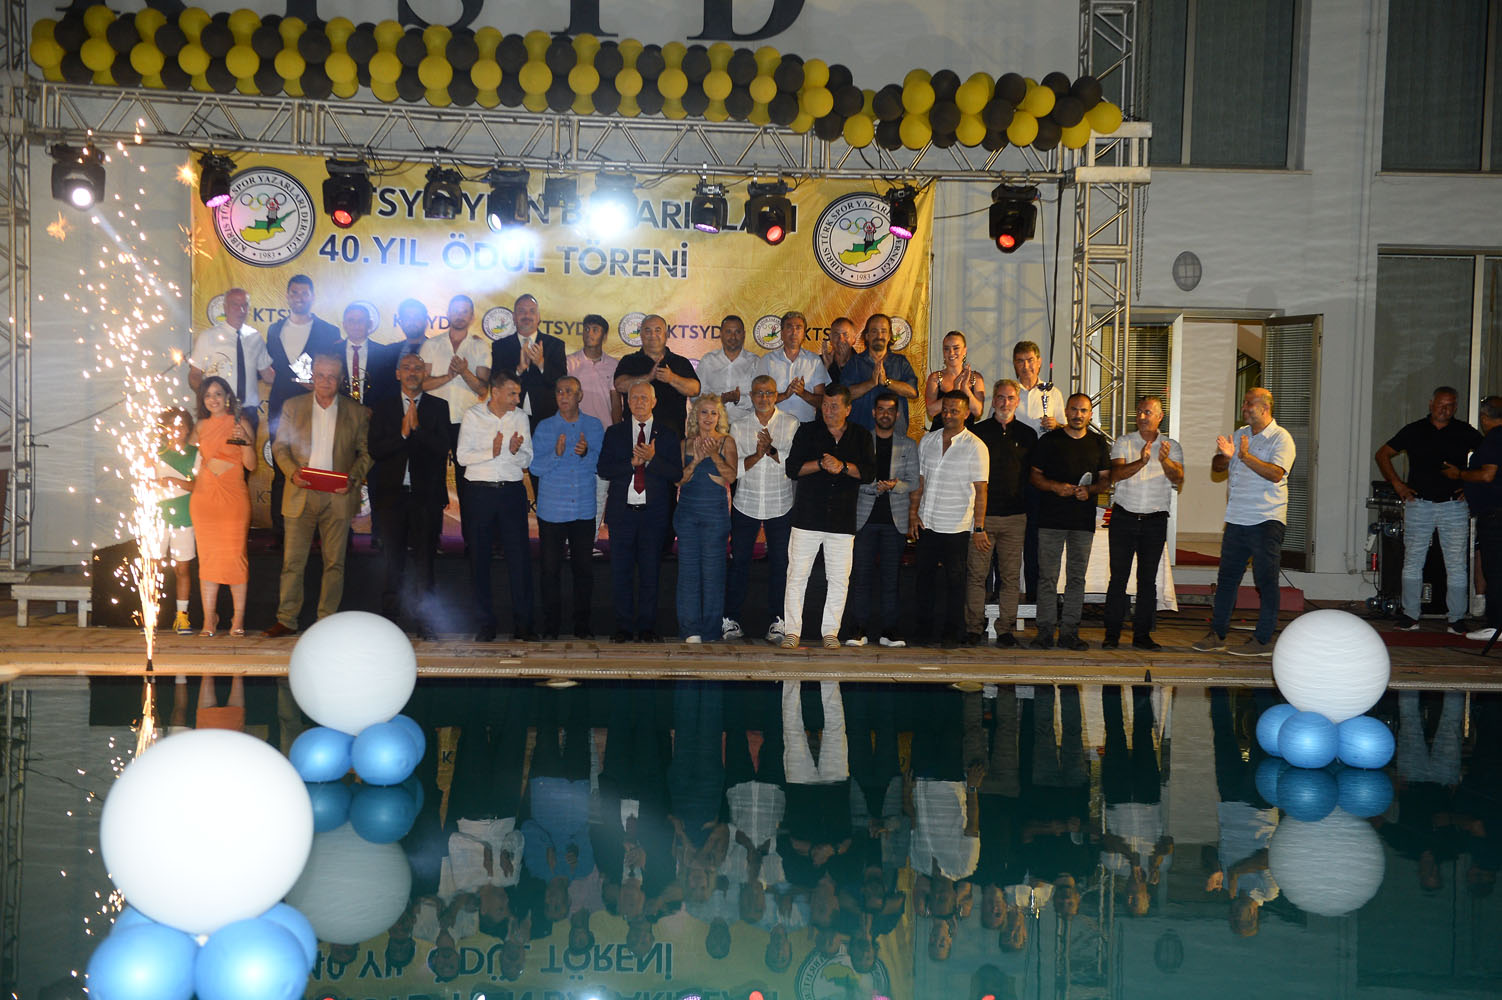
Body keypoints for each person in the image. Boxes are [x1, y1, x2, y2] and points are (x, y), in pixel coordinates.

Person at [264, 354, 373, 636]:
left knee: (334, 563)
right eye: (321, 375)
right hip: (300, 492)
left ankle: (327, 621)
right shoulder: (293, 406)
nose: (326, 381)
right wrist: (292, 473)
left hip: (338, 495)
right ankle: (286, 619)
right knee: (292, 562)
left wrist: (352, 479)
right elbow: (280, 447)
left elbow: (366, 453)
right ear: (312, 376)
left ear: (340, 380)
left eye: (332, 376)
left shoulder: (356, 412)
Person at [1192, 388, 1296, 656]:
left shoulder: (1281, 438)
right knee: (1227, 579)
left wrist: (1245, 456)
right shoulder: (1239, 434)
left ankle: (1262, 640)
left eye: (1249, 403)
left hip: (1266, 519)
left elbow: (1276, 474)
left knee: (1265, 580)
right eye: (1244, 403)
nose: (1244, 408)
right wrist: (1225, 456)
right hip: (1236, 518)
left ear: (1265, 408)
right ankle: (1218, 634)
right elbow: (1217, 468)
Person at [1376, 386, 1482, 633]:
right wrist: (1398, 485)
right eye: (1441, 404)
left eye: (1450, 405)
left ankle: (1456, 618)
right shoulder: (1414, 430)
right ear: (1431, 404)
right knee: (1413, 560)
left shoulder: (1464, 431)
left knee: (1456, 564)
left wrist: (1471, 484)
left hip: (1454, 505)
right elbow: (1382, 454)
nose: (1445, 410)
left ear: (1455, 407)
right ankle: (1410, 615)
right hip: (1419, 504)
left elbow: (1489, 458)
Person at [781, 385, 876, 649]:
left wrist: (843, 466)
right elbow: (792, 469)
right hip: (807, 517)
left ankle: (831, 632)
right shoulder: (807, 431)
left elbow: (869, 473)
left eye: (834, 406)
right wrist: (821, 464)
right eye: (824, 405)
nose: (828, 410)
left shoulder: (860, 436)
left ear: (848, 409)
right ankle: (792, 631)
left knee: (838, 579)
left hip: (842, 520)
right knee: (797, 576)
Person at [367, 352, 450, 637]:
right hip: (392, 497)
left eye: (418, 368)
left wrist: (417, 430)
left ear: (424, 373)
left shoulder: (439, 407)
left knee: (425, 563)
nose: (412, 372)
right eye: (407, 367)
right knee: (393, 562)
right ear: (397, 374)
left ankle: (426, 623)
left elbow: (442, 448)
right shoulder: (383, 407)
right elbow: (375, 450)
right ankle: (390, 623)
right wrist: (402, 435)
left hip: (426, 498)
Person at [599, 382, 684, 642]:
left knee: (650, 573)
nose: (639, 402)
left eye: (644, 398)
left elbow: (676, 474)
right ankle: (624, 627)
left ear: (654, 402)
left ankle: (647, 627)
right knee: (621, 573)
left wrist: (651, 460)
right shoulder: (615, 432)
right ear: (627, 402)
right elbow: (604, 469)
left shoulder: (667, 435)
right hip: (622, 515)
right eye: (634, 397)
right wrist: (631, 463)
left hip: (653, 516)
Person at [1029, 393, 1112, 650]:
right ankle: (1044, 632)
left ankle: (1069, 633)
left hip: (1082, 522)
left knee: (1076, 579)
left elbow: (1106, 480)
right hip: (1050, 520)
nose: (1078, 414)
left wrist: (1091, 490)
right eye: (1074, 409)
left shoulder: (1098, 443)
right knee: (1047, 578)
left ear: (1090, 414)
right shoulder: (1049, 440)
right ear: (1066, 411)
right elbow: (1034, 476)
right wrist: (1055, 487)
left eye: (1083, 410)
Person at [457, 370, 535, 642]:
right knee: (479, 559)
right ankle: (485, 625)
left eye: (518, 394)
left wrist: (514, 451)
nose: (517, 399)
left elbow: (527, 459)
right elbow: (462, 456)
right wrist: (491, 451)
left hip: (511, 493)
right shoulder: (473, 416)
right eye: (512, 393)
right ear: (496, 392)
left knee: (519, 559)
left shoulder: (520, 417)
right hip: (479, 494)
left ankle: (524, 625)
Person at [910, 391, 991, 647]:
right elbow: (919, 482)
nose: (948, 414)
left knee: (955, 583)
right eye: (945, 409)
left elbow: (981, 491)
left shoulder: (976, 446)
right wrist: (913, 514)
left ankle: (952, 634)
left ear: (966, 413)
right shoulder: (928, 440)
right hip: (927, 523)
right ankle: (923, 633)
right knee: (923, 580)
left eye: (954, 410)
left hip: (957, 526)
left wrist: (979, 527)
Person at [1104, 396, 1185, 650]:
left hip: (1154, 521)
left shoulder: (1171, 446)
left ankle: (1142, 636)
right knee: (1118, 578)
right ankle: (1112, 635)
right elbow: (1116, 475)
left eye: (1148, 412)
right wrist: (1142, 461)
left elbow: (1178, 478)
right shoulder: (1124, 442)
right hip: (1124, 518)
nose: (1141, 416)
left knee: (1147, 580)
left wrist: (1164, 460)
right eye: (1139, 411)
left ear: (1160, 416)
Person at [265, 275, 342, 537]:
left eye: (304, 293)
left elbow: (335, 371)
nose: (299, 297)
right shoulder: (274, 330)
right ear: (287, 296)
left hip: (317, 406)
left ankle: (320, 532)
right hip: (280, 409)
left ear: (313, 297)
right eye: (295, 293)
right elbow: (269, 369)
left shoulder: (329, 331)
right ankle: (280, 532)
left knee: (320, 464)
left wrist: (320, 384)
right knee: (282, 467)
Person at [726, 374, 800, 644]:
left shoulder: (791, 423)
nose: (764, 398)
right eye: (758, 392)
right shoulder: (739, 426)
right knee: (739, 563)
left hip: (780, 504)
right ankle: (730, 619)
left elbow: (795, 465)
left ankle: (778, 621)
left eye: (769, 392)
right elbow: (733, 470)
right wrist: (757, 454)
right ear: (751, 395)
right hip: (746, 503)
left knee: (781, 565)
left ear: (776, 394)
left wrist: (771, 450)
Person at [530, 376, 605, 639]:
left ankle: (582, 626)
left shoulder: (594, 426)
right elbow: (534, 468)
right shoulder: (544, 427)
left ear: (580, 395)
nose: (563, 396)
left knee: (583, 570)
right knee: (550, 571)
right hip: (552, 511)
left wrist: (585, 454)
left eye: (569, 391)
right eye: (559, 391)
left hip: (583, 509)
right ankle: (551, 626)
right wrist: (556, 454)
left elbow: (600, 465)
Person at [846, 392, 919, 647]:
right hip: (864, 520)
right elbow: (853, 477)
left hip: (894, 522)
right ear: (873, 413)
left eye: (890, 410)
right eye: (881, 409)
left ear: (897, 414)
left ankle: (890, 630)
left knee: (891, 579)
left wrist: (895, 485)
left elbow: (914, 482)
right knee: (861, 577)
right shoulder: (861, 441)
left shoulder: (908, 445)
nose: (885, 414)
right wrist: (874, 487)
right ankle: (859, 628)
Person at [967, 379, 1036, 648]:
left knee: (1010, 577)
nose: (1005, 403)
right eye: (1000, 397)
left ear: (1017, 402)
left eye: (1010, 398)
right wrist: (977, 521)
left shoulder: (1028, 435)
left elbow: (1032, 477)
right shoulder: (978, 433)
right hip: (983, 517)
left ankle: (1005, 629)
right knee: (977, 575)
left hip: (1015, 518)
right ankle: (974, 628)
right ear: (993, 400)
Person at [187, 379, 256, 636]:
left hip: (233, 499)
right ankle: (209, 619)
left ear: (227, 396)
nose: (213, 399)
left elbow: (251, 466)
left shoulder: (240, 423)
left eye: (218, 393)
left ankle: (238, 619)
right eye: (207, 395)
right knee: (207, 560)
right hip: (204, 499)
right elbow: (186, 456)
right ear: (202, 400)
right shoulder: (200, 426)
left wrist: (246, 441)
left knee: (236, 557)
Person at [420, 294, 492, 535]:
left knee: (468, 484)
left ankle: (473, 542)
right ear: (448, 314)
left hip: (467, 421)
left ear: (471, 316)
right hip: (433, 421)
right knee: (432, 481)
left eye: (464, 311)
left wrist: (464, 371)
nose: (459, 315)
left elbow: (482, 389)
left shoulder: (480, 345)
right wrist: (449, 376)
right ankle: (431, 541)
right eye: (455, 310)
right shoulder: (431, 344)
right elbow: (422, 384)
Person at [676, 395, 738, 642]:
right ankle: (690, 629)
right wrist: (696, 461)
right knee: (688, 573)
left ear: (719, 417)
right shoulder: (684, 444)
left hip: (715, 515)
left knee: (713, 574)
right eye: (704, 412)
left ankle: (711, 630)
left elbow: (731, 477)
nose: (709, 417)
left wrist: (713, 455)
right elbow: (678, 480)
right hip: (687, 514)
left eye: (714, 413)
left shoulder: (727, 442)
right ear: (695, 416)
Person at [1442, 396, 1502, 641]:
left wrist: (1461, 474)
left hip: (1495, 515)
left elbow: (1487, 475)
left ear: (1484, 418)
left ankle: (1496, 625)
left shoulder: (1494, 439)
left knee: (1495, 570)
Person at [1012, 340, 1064, 597]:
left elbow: (1068, 430)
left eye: (1030, 360)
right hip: (1014, 472)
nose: (1026, 366)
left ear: (1040, 361)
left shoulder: (1053, 394)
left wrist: (1056, 425)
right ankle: (1009, 592)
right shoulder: (1009, 391)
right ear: (1014, 364)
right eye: (1020, 361)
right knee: (1013, 536)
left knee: (1037, 537)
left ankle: (1036, 594)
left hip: (1043, 473)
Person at [188, 287, 273, 436]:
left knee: (247, 451)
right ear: (225, 307)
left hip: (248, 411)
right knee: (217, 451)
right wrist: (209, 398)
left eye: (245, 305)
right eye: (235, 304)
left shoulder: (255, 337)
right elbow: (194, 375)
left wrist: (296, 380)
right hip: (219, 410)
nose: (241, 310)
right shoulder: (208, 337)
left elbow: (268, 375)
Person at [568, 313, 621, 542]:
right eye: (587, 328)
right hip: (574, 436)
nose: (590, 333)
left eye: (595, 329)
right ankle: (571, 542)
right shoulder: (569, 362)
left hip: (604, 438)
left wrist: (616, 435)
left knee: (600, 492)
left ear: (604, 335)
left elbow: (616, 403)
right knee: (574, 490)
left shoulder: (614, 365)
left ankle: (590, 542)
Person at [613, 314, 700, 439]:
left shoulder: (680, 362)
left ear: (666, 334)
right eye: (647, 330)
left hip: (672, 437)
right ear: (641, 335)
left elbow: (695, 389)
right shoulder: (629, 361)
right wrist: (648, 377)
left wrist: (672, 378)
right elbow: (619, 385)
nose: (652, 335)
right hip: (635, 437)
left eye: (657, 330)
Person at [492, 293, 567, 430]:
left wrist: (541, 363)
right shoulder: (500, 346)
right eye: (521, 311)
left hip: (546, 419)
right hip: (509, 418)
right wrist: (518, 370)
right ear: (514, 317)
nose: (527, 315)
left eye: (532, 311)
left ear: (539, 317)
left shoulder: (555, 345)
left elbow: (561, 383)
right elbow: (495, 383)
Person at [153, 408, 198, 636]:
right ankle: (150, 615)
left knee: (182, 568)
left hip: (184, 518)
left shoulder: (195, 453)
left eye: (181, 426)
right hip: (157, 519)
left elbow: (199, 486)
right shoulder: (154, 452)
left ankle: (182, 616)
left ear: (189, 429)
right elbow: (145, 482)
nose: (176, 430)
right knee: (154, 567)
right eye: (171, 425)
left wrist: (173, 480)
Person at [839, 313, 921, 433]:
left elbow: (913, 392)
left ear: (889, 336)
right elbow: (843, 395)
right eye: (874, 331)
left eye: (883, 331)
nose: (879, 336)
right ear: (867, 336)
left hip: (894, 434)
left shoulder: (900, 362)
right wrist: (871, 383)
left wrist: (887, 382)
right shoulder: (855, 362)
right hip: (860, 433)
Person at [760, 311, 829, 424]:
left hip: (806, 426)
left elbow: (822, 402)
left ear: (804, 334)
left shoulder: (814, 361)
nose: (794, 332)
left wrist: (803, 393)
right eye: (789, 327)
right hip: (775, 425)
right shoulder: (767, 360)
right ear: (781, 333)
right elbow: (759, 399)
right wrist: (785, 395)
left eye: (798, 328)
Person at [696, 314, 759, 423]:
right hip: (713, 426)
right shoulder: (708, 361)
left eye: (737, 332)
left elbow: (760, 399)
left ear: (744, 334)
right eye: (728, 332)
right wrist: (718, 400)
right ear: (721, 334)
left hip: (745, 426)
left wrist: (739, 399)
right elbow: (696, 397)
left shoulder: (755, 362)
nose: (733, 337)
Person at [923, 331, 984, 428]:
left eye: (956, 348)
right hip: (940, 433)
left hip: (966, 434)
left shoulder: (976, 378)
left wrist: (964, 387)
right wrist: (955, 389)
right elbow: (931, 411)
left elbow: (978, 411)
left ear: (964, 350)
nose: (951, 353)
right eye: (946, 349)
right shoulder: (935, 378)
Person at [335, 301, 379, 404]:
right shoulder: (332, 352)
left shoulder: (383, 354)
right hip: (340, 411)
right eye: (351, 321)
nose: (356, 325)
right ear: (344, 325)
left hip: (374, 411)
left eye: (361, 320)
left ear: (369, 324)